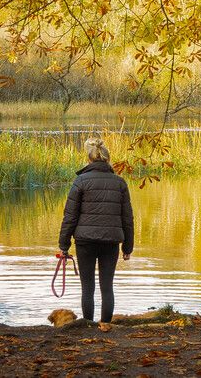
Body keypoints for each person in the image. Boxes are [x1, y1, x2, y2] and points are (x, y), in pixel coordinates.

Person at [57, 137, 134, 323]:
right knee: (107, 286)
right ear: (107, 159)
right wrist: (127, 248)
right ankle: (106, 327)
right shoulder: (120, 183)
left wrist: (63, 245)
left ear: (89, 159)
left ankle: (88, 325)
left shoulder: (80, 181)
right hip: (111, 242)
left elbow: (70, 217)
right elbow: (127, 219)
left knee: (87, 287)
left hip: (85, 242)